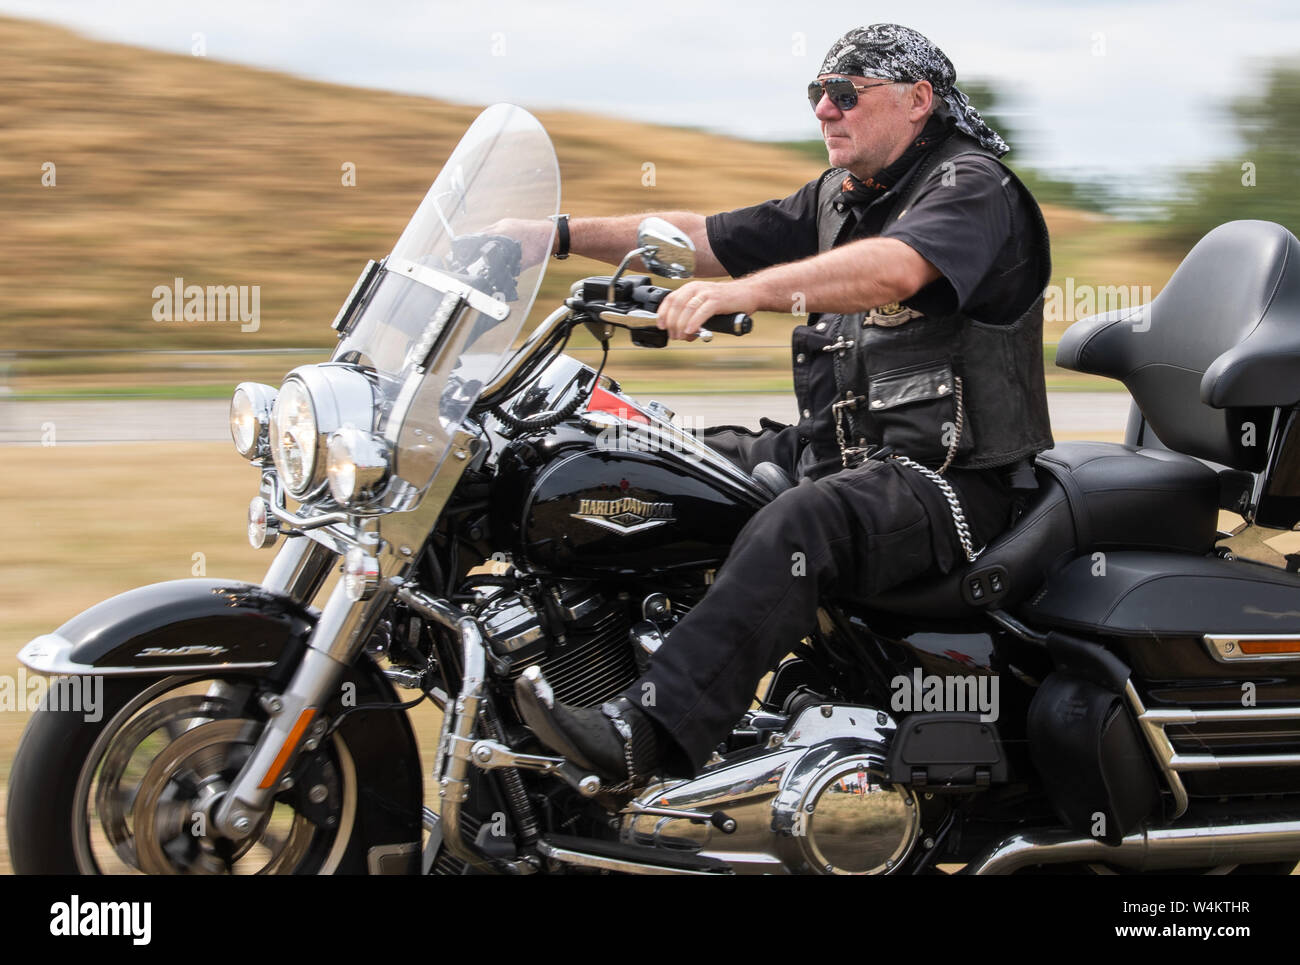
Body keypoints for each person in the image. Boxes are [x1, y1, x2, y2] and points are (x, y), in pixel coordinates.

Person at [513, 23, 1054, 789]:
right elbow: (697, 239)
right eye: (816, 96)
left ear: (918, 100)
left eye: (844, 94)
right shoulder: (842, 196)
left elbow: (895, 270)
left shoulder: (972, 187)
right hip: (833, 455)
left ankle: (647, 733)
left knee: (801, 520)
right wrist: (552, 235)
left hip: (949, 481)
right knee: (640, 458)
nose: (825, 112)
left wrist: (748, 292)